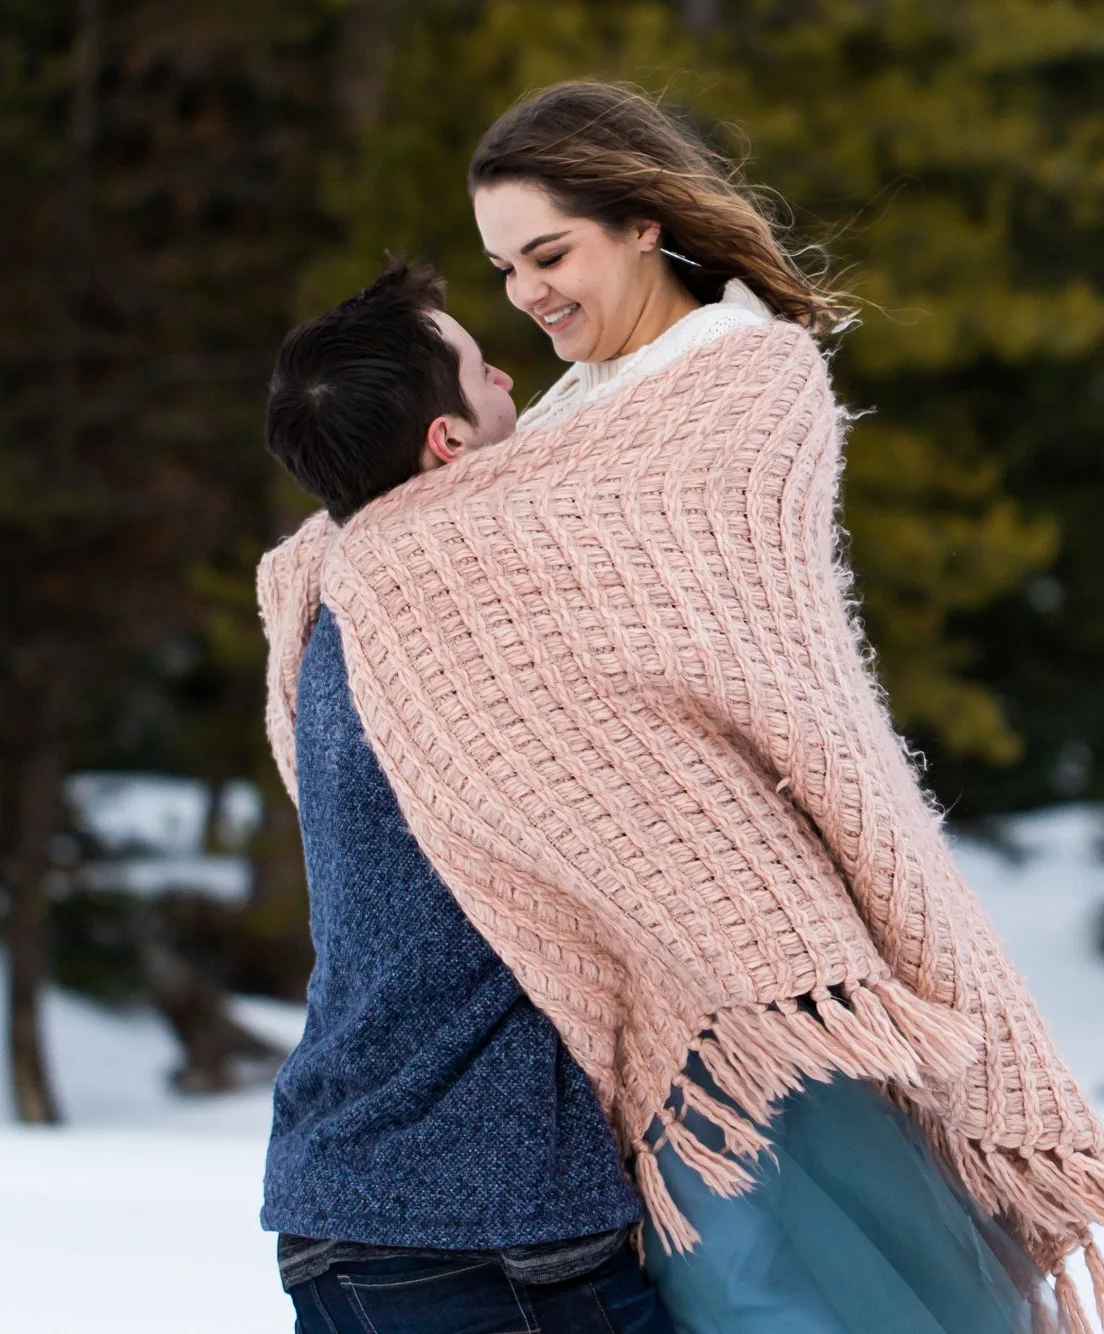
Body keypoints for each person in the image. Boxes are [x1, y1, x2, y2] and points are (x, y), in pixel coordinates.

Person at [258, 81, 1104, 1334]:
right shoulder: (508, 474)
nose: (527, 302)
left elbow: (755, 673)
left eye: (548, 255)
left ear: (643, 223)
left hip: (560, 1068)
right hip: (516, 1171)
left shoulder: (725, 387)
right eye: (504, 270)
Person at [255, 262, 676, 1334]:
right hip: (486, 1228)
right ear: (448, 442)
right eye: (485, 371)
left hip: (344, 1207)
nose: (511, 378)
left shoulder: (346, 607)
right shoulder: (466, 622)